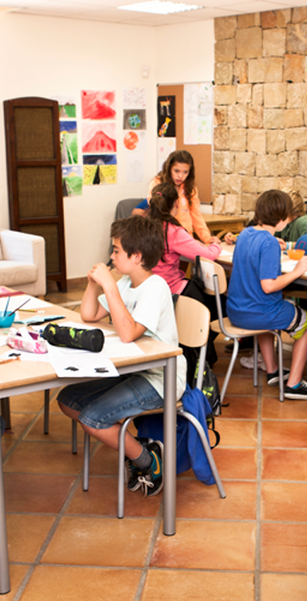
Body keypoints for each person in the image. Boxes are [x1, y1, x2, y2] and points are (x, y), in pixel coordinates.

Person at [57, 216, 186, 497]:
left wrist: (110, 286)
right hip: (132, 370)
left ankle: (147, 459)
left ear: (136, 256)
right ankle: (134, 445)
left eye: (116, 250)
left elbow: (128, 333)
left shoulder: (156, 287)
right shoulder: (127, 282)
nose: (112, 256)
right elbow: (89, 315)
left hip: (160, 377)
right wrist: (94, 285)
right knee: (67, 400)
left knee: (93, 419)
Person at [226, 189, 307, 400]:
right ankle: (294, 383)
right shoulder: (268, 242)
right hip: (258, 313)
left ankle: (272, 370)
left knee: (266, 315)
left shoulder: (246, 234)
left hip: (236, 311)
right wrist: (297, 271)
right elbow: (268, 286)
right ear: (281, 218)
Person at [145, 181, 222, 296]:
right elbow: (208, 255)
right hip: (170, 290)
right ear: (177, 203)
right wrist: (216, 245)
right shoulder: (173, 231)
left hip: (146, 289)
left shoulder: (142, 225)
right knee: (219, 301)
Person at [132, 150, 214, 244]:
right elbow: (155, 214)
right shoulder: (157, 183)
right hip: (164, 239)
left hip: (186, 238)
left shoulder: (190, 187)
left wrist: (208, 238)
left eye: (185, 172)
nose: (180, 176)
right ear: (169, 168)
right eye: (176, 171)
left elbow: (196, 215)